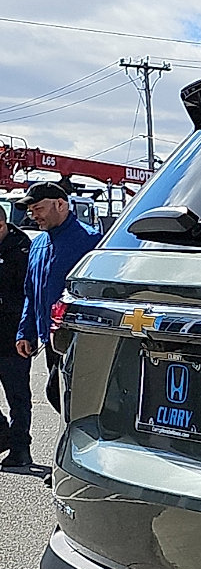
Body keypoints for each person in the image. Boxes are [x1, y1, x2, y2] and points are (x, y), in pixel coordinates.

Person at [14, 182, 99, 463]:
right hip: (49, 339)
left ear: (60, 204)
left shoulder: (90, 241)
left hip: (80, 339)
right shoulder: (38, 244)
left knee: (66, 396)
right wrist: (25, 331)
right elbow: (31, 292)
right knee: (61, 397)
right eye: (30, 211)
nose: (33, 216)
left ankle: (76, 459)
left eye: (38, 208)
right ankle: (76, 457)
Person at [0, 211, 32, 469]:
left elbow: (27, 293)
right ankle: (3, 434)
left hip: (12, 336)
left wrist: (26, 333)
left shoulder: (22, 249)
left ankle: (20, 448)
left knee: (17, 397)